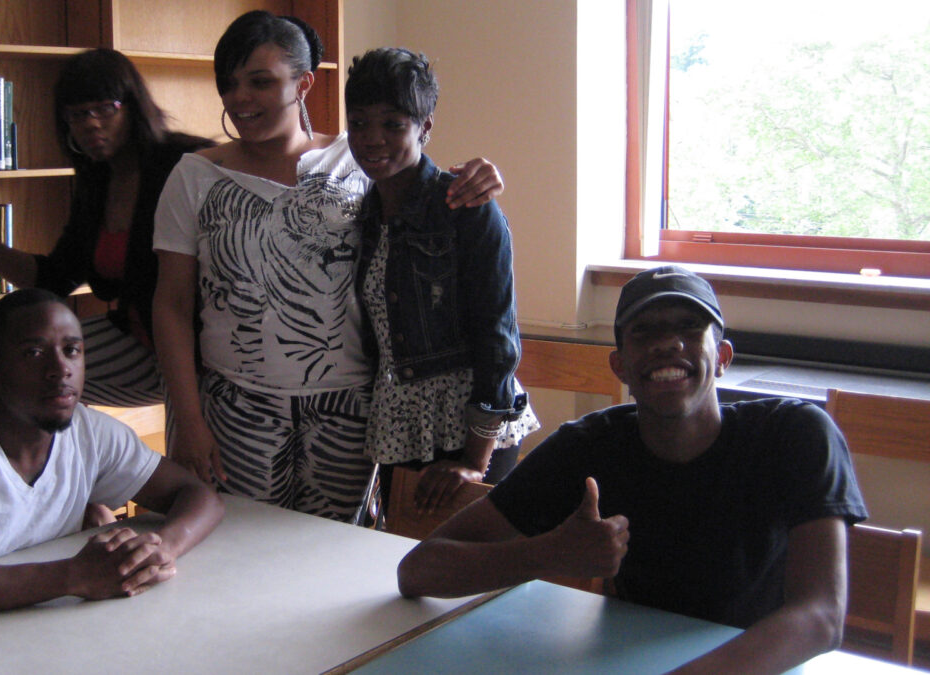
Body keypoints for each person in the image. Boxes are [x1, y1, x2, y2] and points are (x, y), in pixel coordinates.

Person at [397, 266, 868, 673]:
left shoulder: (795, 434)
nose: (667, 344)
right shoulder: (588, 448)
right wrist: (546, 555)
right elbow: (418, 572)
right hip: (625, 657)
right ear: (619, 366)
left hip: (766, 662)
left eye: (689, 327)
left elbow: (821, 616)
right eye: (644, 332)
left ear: (722, 357)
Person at [153, 10, 506, 521]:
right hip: (237, 406)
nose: (240, 99)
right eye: (228, 85)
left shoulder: (357, 160)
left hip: (352, 409)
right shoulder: (194, 177)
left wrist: (483, 177)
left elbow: (427, 199)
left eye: (260, 81)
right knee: (236, 554)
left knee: (335, 558)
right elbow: (171, 304)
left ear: (304, 83)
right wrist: (187, 419)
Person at [0, 289, 224, 619]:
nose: (61, 369)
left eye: (72, 350)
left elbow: (199, 495)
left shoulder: (91, 432)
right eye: (34, 353)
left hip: (43, 629)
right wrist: (73, 576)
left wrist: (162, 549)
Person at [0, 48, 214, 409]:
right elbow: (53, 278)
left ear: (132, 106)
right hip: (142, 338)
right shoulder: (96, 184)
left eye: (104, 109)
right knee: (25, 372)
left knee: (194, 457)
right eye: (78, 114)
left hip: (204, 349)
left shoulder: (185, 164)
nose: (91, 124)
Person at [344, 48, 538, 514]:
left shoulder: (466, 207)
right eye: (360, 123)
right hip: (399, 424)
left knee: (470, 573)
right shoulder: (364, 214)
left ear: (425, 127)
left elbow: (497, 340)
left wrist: (475, 461)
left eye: (393, 124)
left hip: (469, 429)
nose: (373, 139)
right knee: (402, 565)